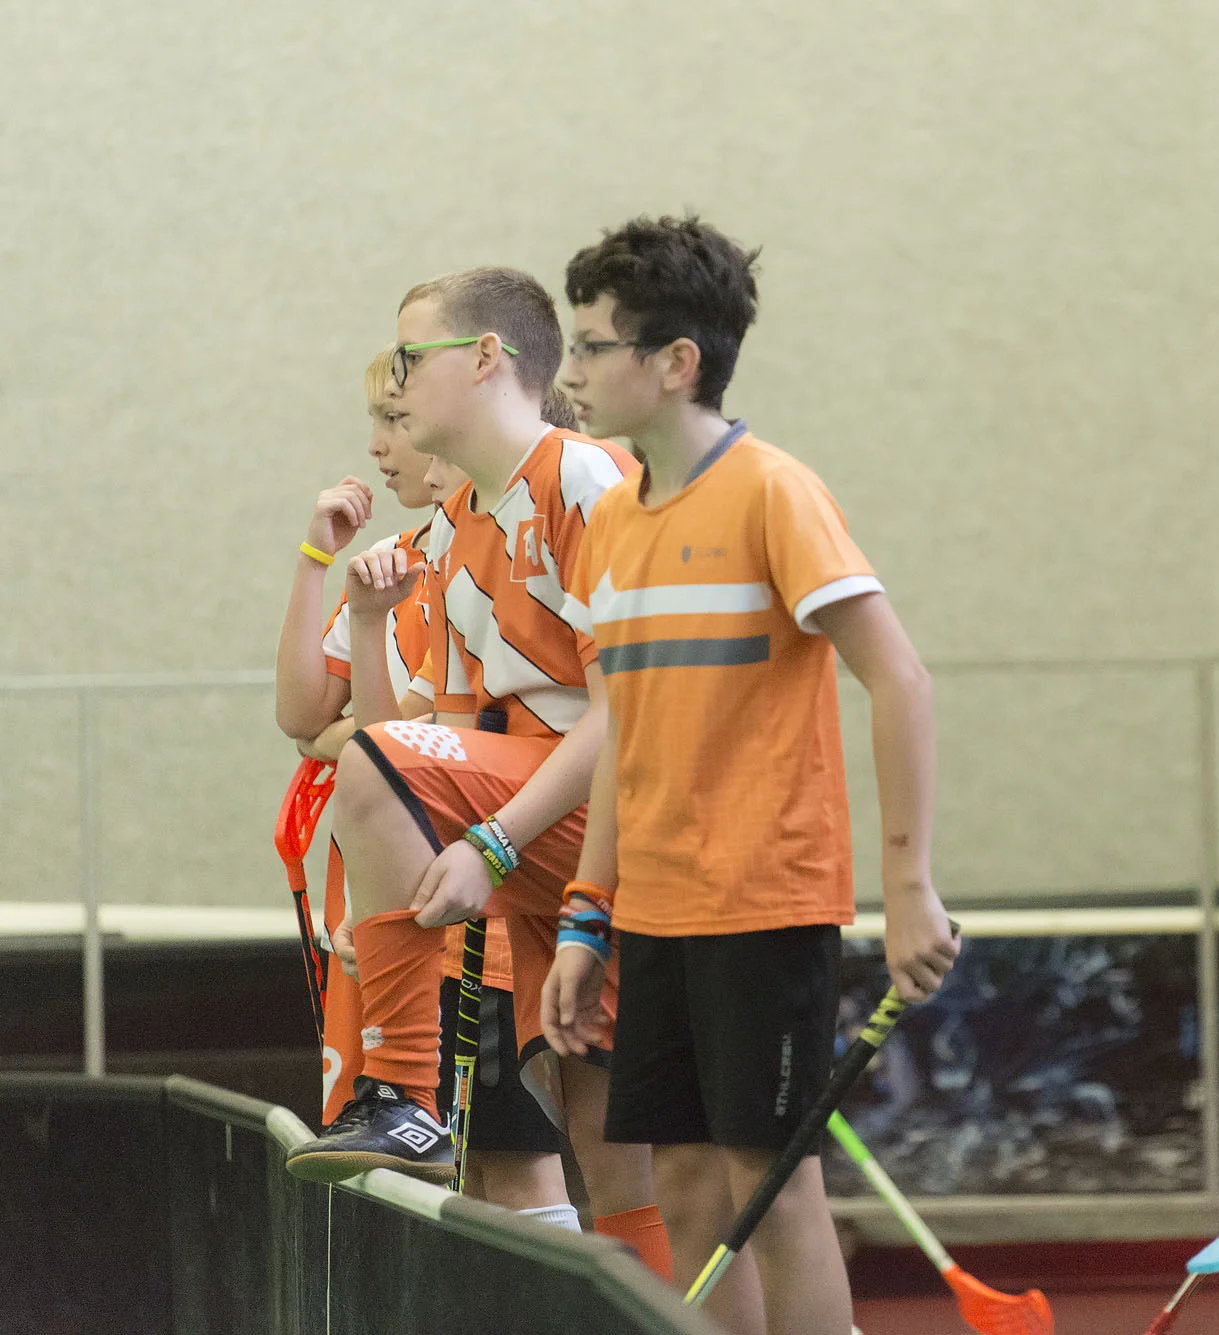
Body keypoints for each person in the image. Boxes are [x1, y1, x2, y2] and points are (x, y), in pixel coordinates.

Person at [536, 215, 958, 1335]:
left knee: (771, 1190)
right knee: (682, 1182)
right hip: (654, 909)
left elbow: (899, 679)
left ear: (677, 361)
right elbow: (623, 732)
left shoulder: (774, 492)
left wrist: (907, 886)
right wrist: (586, 915)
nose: (569, 373)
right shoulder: (611, 519)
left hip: (763, 902)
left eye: (592, 347)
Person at [282, 268, 671, 1275]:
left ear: (488, 358)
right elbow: (409, 745)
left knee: (682, 1169)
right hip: (541, 847)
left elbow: (623, 710)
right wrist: (398, 901)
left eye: (411, 359)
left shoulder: (585, 478)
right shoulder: (456, 521)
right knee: (607, 1154)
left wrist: (490, 843)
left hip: (620, 824)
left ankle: (403, 1092)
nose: (396, 385)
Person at [271, 350, 582, 1229]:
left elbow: (387, 742)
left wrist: (343, 738)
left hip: (500, 886)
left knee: (531, 1169)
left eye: (400, 421)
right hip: (437, 894)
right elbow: (325, 723)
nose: (380, 445)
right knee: (478, 1179)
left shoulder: (532, 535)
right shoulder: (413, 558)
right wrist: (321, 568)